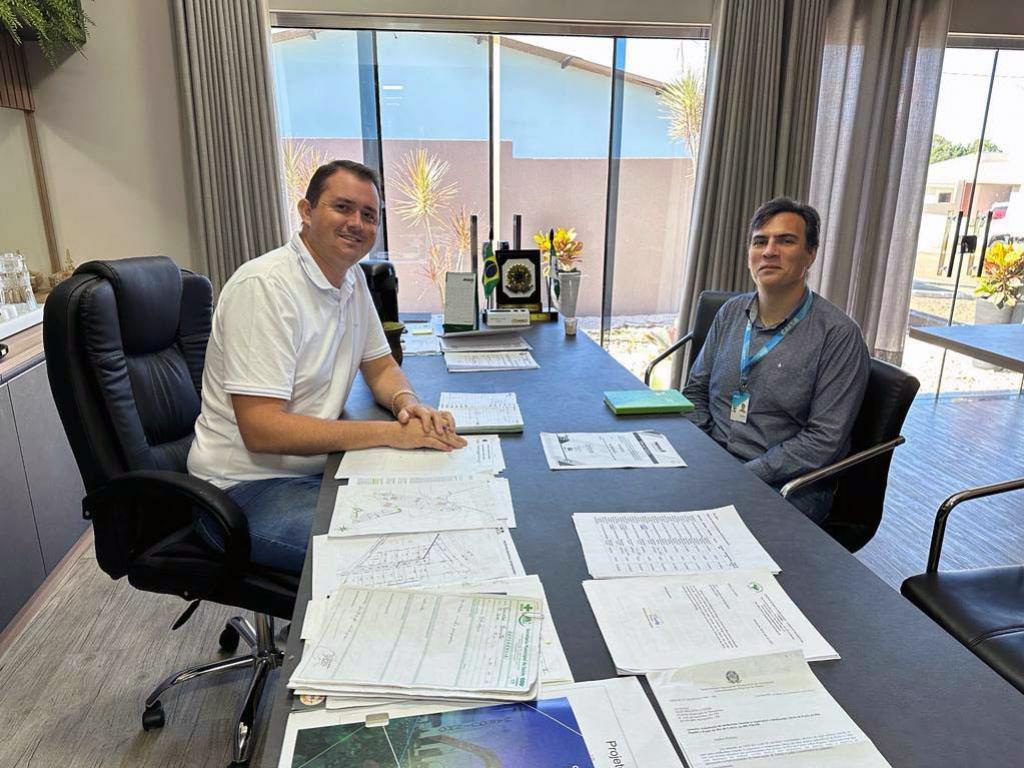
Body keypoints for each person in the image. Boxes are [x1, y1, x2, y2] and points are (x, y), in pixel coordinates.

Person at [188, 159, 466, 572]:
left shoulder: (351, 281)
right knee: (405, 555)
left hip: (318, 469)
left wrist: (408, 405)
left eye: (368, 215)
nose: (357, 223)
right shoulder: (265, 288)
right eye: (342, 207)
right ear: (306, 211)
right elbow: (262, 429)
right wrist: (391, 434)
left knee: (439, 512)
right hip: (242, 489)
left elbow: (380, 366)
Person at [683, 197, 870, 523]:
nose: (769, 251)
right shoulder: (730, 314)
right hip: (715, 462)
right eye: (760, 242)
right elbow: (695, 392)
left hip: (786, 484)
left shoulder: (838, 336)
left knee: (696, 528)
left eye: (785, 241)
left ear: (810, 254)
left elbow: (822, 441)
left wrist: (741, 475)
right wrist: (707, 456)